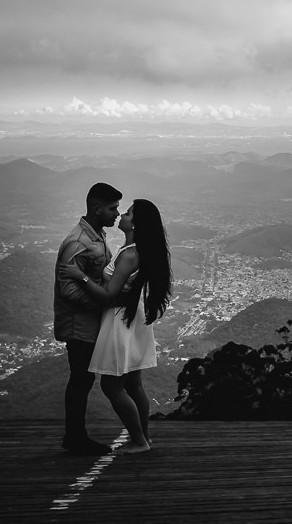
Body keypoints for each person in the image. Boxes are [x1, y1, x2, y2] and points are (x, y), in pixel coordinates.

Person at [60, 198, 172, 455]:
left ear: (137, 224)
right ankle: (143, 438)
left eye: (129, 213)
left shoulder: (130, 255)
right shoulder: (134, 250)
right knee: (134, 385)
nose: (122, 214)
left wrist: (81, 276)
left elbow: (109, 295)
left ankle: (139, 440)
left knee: (112, 386)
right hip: (130, 319)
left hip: (120, 321)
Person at [54, 182, 122, 455]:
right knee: (80, 380)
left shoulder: (96, 235)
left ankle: (76, 436)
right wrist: (101, 303)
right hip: (78, 323)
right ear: (97, 208)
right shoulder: (78, 242)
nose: (117, 213)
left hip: (88, 322)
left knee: (83, 380)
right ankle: (75, 437)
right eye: (112, 208)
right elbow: (66, 286)